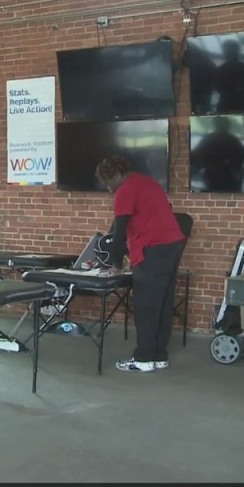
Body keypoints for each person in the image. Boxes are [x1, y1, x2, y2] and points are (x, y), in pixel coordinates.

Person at [96, 156, 187, 373]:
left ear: (117, 174)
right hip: (173, 245)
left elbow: (118, 235)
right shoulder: (147, 181)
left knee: (146, 305)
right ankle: (159, 356)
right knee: (163, 303)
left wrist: (116, 265)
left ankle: (144, 359)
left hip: (153, 247)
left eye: (109, 182)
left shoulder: (125, 190)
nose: (109, 188)